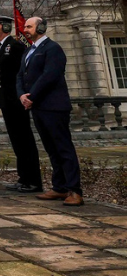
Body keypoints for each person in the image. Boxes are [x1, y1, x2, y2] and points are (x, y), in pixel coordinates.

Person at [17, 17, 83, 206]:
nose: (26, 29)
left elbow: (50, 75)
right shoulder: (29, 50)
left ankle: (75, 190)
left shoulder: (52, 48)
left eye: (29, 26)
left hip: (54, 106)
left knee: (63, 148)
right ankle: (60, 187)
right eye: (25, 26)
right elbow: (20, 76)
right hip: (38, 107)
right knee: (51, 149)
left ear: (41, 27)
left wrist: (31, 96)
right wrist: (22, 95)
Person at [0, 14, 42, 193]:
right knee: (17, 140)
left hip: (16, 99)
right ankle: (23, 178)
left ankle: (33, 180)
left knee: (24, 139)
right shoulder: (1, 47)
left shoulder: (16, 46)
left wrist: (25, 95)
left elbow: (24, 73)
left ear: (5, 27)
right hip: (7, 100)